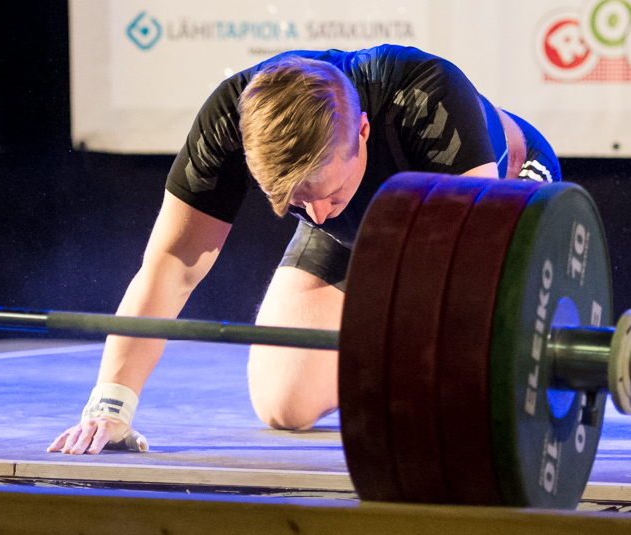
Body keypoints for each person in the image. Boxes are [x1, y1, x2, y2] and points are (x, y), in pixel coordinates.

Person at [47, 44, 561, 455]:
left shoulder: (429, 99)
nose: (314, 215)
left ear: (362, 132)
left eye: (327, 193)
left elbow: (470, 273)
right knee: (283, 404)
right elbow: (172, 265)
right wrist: (111, 405)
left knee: (457, 395)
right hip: (363, 223)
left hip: (489, 197)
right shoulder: (230, 122)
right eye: (296, 201)